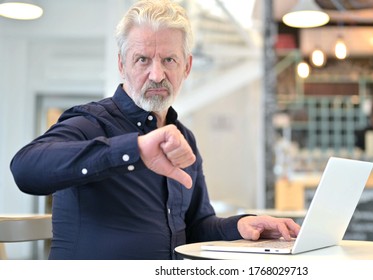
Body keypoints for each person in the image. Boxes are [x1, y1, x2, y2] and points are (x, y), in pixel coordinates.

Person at [9, 0, 300, 260]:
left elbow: (195, 226)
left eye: (169, 60)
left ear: (186, 67)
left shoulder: (184, 137)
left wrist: (241, 225)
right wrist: (132, 150)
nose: (157, 74)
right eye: (143, 59)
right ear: (122, 65)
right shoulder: (89, 121)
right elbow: (25, 169)